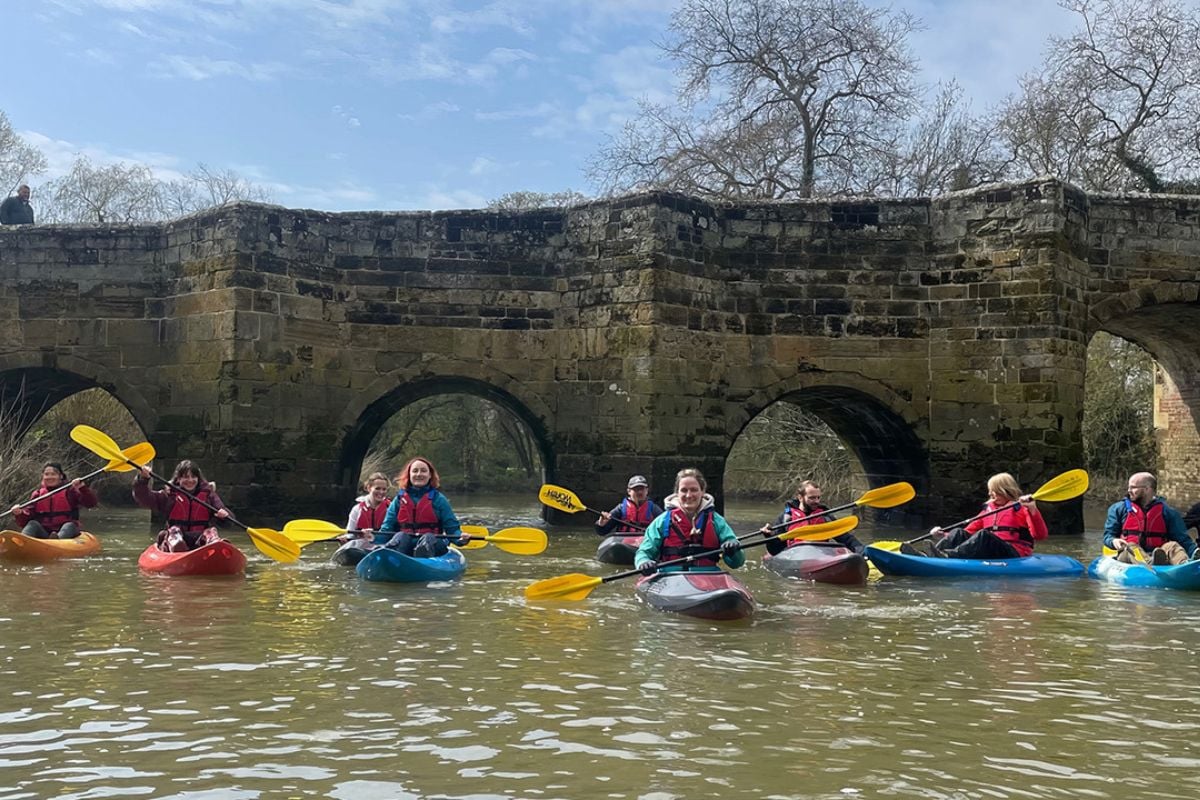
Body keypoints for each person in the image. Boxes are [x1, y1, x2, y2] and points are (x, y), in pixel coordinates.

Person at [905, 472, 1047, 559]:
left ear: (1005, 490)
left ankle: (948, 555)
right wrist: (942, 535)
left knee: (984, 535)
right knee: (958, 531)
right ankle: (929, 555)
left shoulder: (1022, 508)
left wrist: (1033, 509)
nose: (990, 494)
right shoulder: (988, 510)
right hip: (991, 550)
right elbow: (967, 533)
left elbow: (1040, 535)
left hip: (1015, 552)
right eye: (990, 491)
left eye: (993, 491)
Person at [634, 468, 745, 573]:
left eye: (694, 490)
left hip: (708, 576)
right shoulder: (662, 521)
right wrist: (643, 562)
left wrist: (733, 551)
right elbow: (644, 552)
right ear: (677, 493)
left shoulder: (716, 521)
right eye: (684, 490)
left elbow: (737, 563)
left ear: (702, 492)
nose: (688, 495)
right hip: (670, 576)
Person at [379, 457, 467, 558]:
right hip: (405, 545)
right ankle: (391, 556)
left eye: (423, 471)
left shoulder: (439, 499)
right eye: (415, 471)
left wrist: (460, 538)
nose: (419, 474)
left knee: (428, 538)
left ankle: (422, 556)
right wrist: (371, 538)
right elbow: (386, 529)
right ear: (409, 475)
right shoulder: (399, 499)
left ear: (430, 475)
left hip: (433, 545)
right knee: (400, 536)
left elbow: (452, 529)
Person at [133, 461, 230, 552]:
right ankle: (177, 547)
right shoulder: (169, 495)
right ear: (178, 479)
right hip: (176, 537)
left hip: (200, 540)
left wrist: (225, 515)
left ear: (198, 479)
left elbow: (226, 518)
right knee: (174, 531)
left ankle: (215, 545)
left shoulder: (208, 495)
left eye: (193, 477)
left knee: (210, 532)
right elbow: (144, 498)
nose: (190, 480)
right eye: (185, 477)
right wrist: (142, 479)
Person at [1103, 471, 1197, 565]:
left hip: (1157, 553)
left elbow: (1183, 539)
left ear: (1147, 489)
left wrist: (1194, 551)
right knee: (1131, 546)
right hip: (1127, 554)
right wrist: (1113, 541)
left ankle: (1185, 563)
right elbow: (1108, 536)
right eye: (1129, 487)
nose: (1129, 490)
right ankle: (1149, 563)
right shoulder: (1118, 509)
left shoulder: (1168, 512)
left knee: (1172, 546)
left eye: (1133, 487)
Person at [761, 479, 865, 555]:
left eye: (818, 497)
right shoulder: (786, 518)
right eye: (812, 498)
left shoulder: (825, 517)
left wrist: (862, 551)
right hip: (795, 556)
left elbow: (847, 539)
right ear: (800, 497)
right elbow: (775, 551)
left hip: (820, 555)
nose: (817, 501)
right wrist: (769, 537)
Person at [9, 462, 97, 539]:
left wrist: (82, 488)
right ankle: (22, 541)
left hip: (67, 531)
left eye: (53, 474)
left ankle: (57, 540)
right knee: (33, 524)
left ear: (61, 476)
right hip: (44, 532)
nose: (49, 477)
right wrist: (19, 513)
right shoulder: (37, 494)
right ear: (43, 476)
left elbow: (91, 503)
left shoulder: (70, 491)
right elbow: (25, 521)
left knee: (69, 525)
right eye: (46, 474)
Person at [596, 474, 663, 536]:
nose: (640, 492)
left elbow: (665, 529)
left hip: (645, 542)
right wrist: (601, 524)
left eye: (642, 489)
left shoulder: (654, 509)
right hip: (624, 542)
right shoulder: (620, 509)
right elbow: (602, 532)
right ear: (629, 491)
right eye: (636, 489)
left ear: (647, 490)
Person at [343, 472, 391, 546]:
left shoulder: (390, 508)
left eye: (384, 489)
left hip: (382, 546)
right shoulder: (357, 509)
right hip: (361, 546)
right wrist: (345, 539)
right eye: (377, 488)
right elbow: (350, 534)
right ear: (369, 488)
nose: (381, 492)